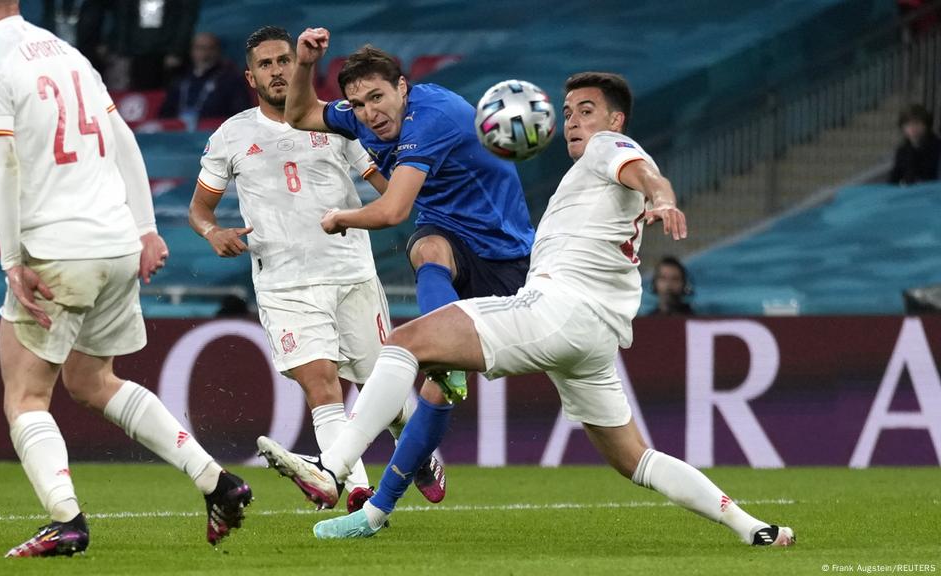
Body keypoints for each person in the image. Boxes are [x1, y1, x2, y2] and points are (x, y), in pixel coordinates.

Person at [258, 71, 796, 547]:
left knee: (404, 343)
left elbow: (642, 171)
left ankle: (334, 464)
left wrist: (663, 196)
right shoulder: (586, 176)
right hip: (594, 338)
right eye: (567, 114)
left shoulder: (611, 147)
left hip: (556, 310)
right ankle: (753, 527)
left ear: (615, 118)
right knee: (636, 460)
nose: (575, 122)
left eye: (587, 111)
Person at [0, 0, 250, 557]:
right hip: (114, 244)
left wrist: (11, 260)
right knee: (92, 381)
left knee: (25, 396)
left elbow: (3, 162)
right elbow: (124, 140)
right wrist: (145, 228)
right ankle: (219, 483)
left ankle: (66, 521)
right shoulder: (68, 53)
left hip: (57, 248)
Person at [280, 27, 536, 519]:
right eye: (356, 103)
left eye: (377, 97)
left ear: (402, 87)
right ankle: (375, 509)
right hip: (450, 239)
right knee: (429, 248)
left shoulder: (432, 118)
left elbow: (394, 209)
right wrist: (306, 65)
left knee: (434, 396)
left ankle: (387, 491)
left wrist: (341, 218)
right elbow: (299, 114)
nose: (369, 112)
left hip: (504, 259)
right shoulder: (364, 120)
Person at [187, 26, 444, 512]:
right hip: (284, 283)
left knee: (378, 386)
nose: (277, 70)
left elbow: (391, 183)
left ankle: (419, 449)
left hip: (351, 274)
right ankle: (356, 487)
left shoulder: (338, 123)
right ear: (251, 77)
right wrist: (211, 232)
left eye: (284, 60)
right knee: (320, 383)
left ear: (297, 64)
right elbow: (200, 210)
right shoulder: (231, 136)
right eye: (266, 64)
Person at [158, 32, 252, 130]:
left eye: (210, 48)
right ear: (192, 51)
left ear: (218, 51)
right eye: (200, 48)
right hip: (178, 136)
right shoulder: (181, 80)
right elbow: (164, 115)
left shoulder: (231, 80)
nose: (205, 54)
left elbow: (241, 115)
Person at [888, 103, 940, 185]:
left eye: (916, 123)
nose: (912, 128)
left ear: (926, 124)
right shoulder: (902, 151)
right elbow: (894, 177)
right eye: (908, 124)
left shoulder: (937, 147)